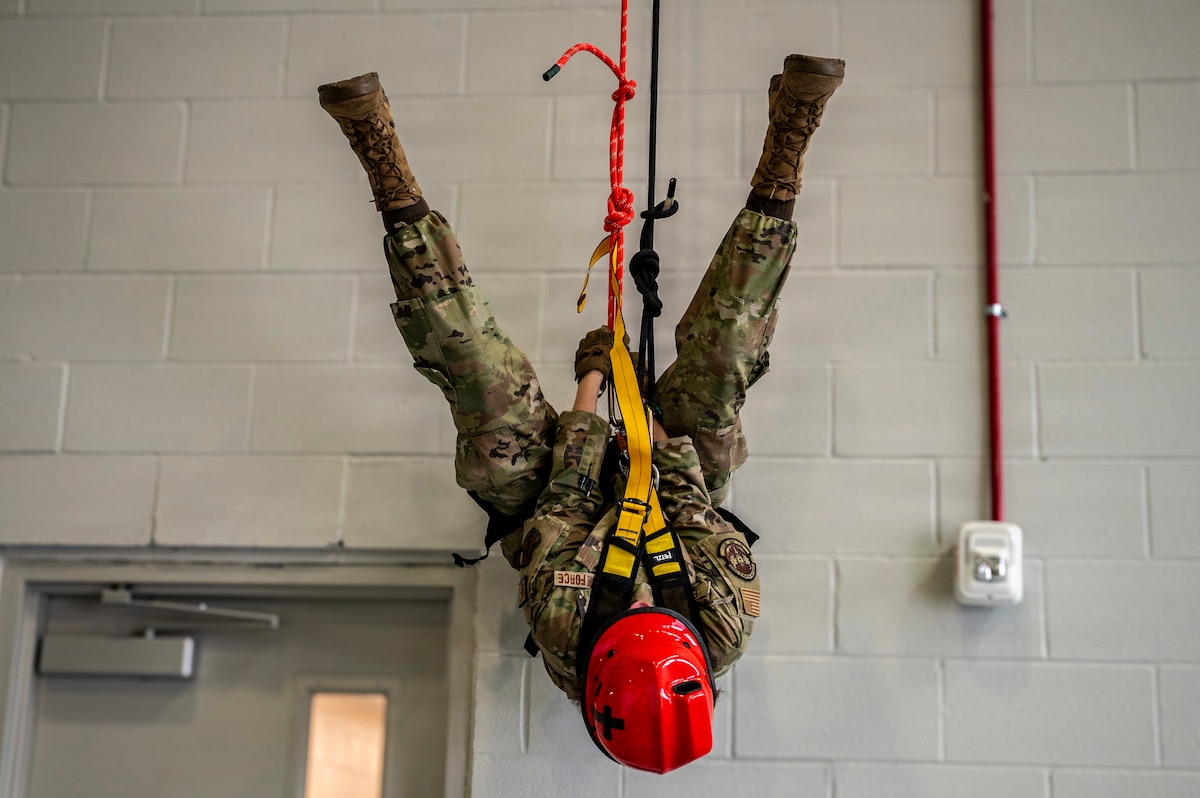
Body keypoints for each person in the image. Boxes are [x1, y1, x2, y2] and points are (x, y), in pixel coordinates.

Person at [318, 53, 843, 773]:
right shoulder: (725, 618)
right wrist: (643, 413)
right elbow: (687, 490)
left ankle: (386, 169)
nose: (633, 607)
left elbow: (565, 495)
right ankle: (788, 148)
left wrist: (596, 377)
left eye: (625, 620)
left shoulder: (564, 626)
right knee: (724, 362)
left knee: (480, 376)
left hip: (550, 502)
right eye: (646, 615)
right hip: (675, 483)